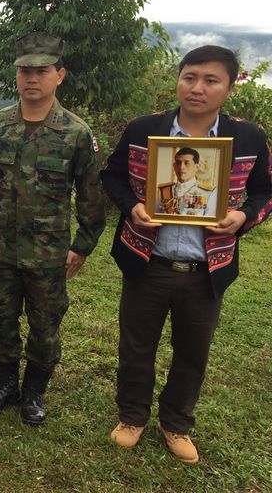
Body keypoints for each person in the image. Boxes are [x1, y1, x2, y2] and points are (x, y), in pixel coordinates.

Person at [101, 45, 272, 463]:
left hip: (206, 268)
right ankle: (132, 416)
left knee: (193, 351)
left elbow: (266, 192)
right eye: (189, 77)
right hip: (148, 261)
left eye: (211, 80)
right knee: (136, 345)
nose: (197, 88)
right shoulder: (144, 129)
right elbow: (112, 176)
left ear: (229, 88)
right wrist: (132, 207)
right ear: (178, 80)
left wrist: (243, 216)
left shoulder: (249, 137)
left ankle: (176, 423)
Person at [0, 33, 105, 425]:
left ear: (59, 75)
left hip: (48, 252)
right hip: (1, 246)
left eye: (42, 71)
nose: (32, 78)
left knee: (45, 324)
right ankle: (5, 385)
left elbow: (91, 195)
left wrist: (83, 244)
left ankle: (33, 392)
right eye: (25, 71)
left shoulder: (75, 132)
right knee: (1, 318)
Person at [157, 147, 216, 215]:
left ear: (197, 167)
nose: (181, 167)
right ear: (174, 166)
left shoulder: (209, 193)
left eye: (187, 163)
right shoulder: (162, 190)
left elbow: (210, 219)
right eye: (178, 163)